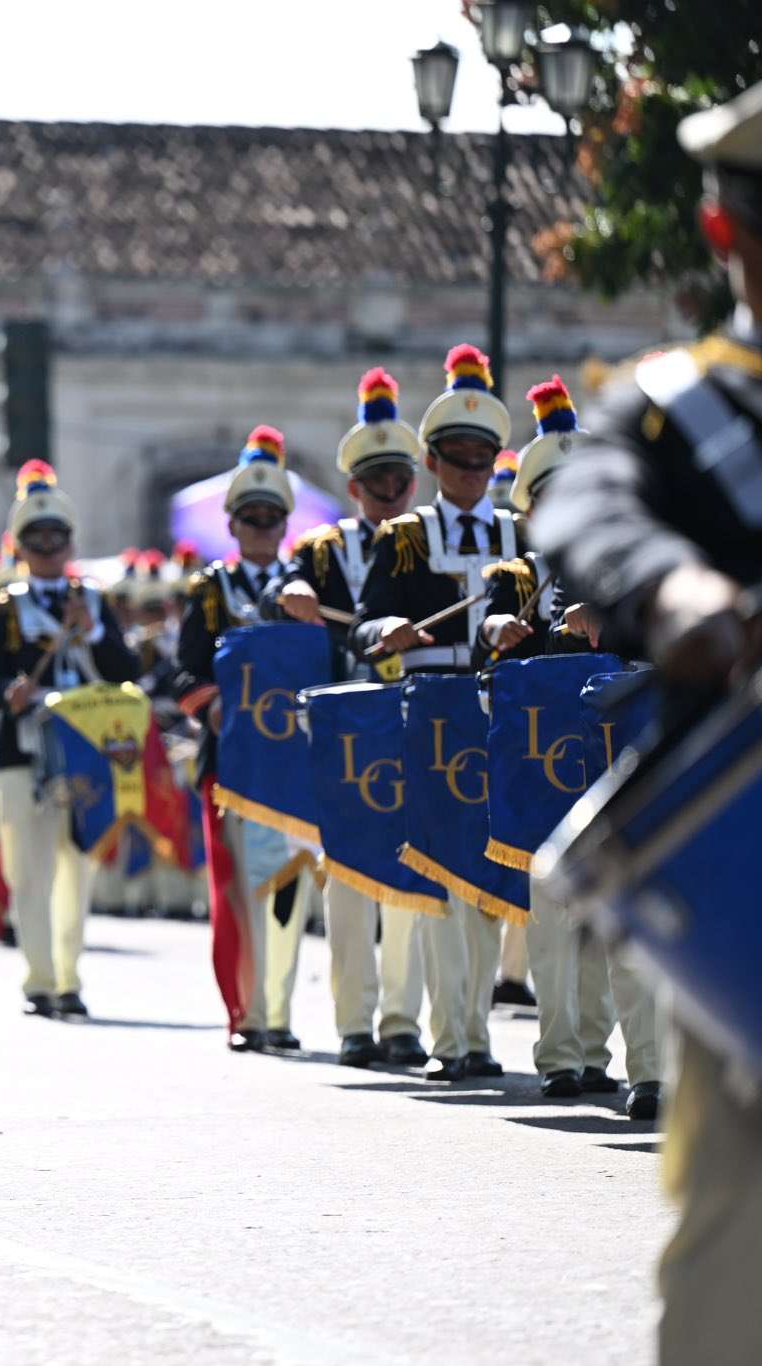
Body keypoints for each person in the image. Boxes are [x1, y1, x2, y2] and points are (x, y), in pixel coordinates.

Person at [533, 84, 762, 1365]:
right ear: (723, 234)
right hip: (753, 862)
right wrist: (675, 587)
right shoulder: (673, 407)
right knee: (734, 1242)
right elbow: (587, 508)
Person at [481, 376, 663, 1112]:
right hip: (538, 770)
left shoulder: (633, 569)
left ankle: (650, 1069)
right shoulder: (509, 580)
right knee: (553, 926)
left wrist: (611, 620)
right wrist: (496, 634)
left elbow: (663, 645)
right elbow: (481, 670)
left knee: (629, 919)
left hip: (621, 763)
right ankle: (566, 1056)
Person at [351, 347, 525, 1082]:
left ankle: (475, 1031)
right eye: (455, 458)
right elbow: (365, 622)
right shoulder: (403, 536)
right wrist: (381, 636)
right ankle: (451, 1038)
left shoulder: (523, 538)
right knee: (440, 876)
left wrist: (511, 632)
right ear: (430, 459)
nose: (469, 471)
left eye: (481, 459)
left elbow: (538, 623)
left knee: (487, 885)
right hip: (429, 714)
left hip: (502, 718)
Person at [267, 369, 428, 1069]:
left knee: (416, 870)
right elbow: (281, 587)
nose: (389, 493)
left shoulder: (430, 542)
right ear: (353, 487)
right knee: (349, 878)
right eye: (375, 482)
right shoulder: (323, 547)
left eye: (399, 480)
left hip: (419, 719)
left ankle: (402, 1021)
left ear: (412, 483)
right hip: (343, 724)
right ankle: (355, 1022)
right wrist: (295, 588)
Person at [0, 461, 141, 1018]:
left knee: (79, 867)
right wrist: (8, 692)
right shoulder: (4, 607)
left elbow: (126, 668)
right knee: (31, 870)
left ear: (70, 542)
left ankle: (70, 978)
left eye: (57, 538)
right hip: (25, 751)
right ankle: (39, 979)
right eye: (36, 539)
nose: (48, 547)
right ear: (20, 546)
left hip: (85, 751)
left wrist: (90, 631)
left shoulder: (93, 603)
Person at [175, 428, 314, 1051]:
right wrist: (212, 705)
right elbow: (183, 670)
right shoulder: (210, 591)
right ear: (231, 526)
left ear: (285, 523)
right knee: (234, 886)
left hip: (294, 761)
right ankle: (244, 1012)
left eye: (271, 518)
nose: (261, 528)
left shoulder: (310, 583)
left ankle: (277, 1011)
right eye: (250, 519)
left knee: (290, 883)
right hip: (230, 760)